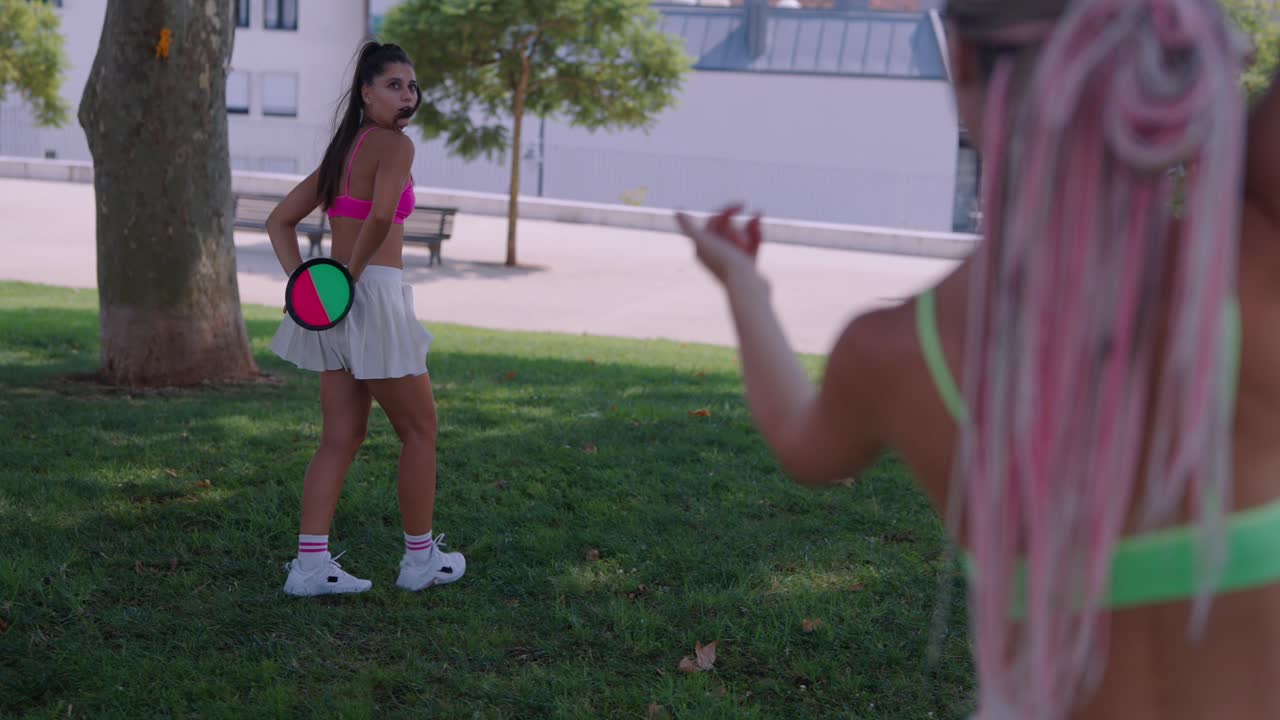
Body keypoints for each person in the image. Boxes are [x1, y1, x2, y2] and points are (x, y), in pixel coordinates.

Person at [676, 0, 1280, 717]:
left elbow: (801, 443)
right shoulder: (1253, 276)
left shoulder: (898, 349)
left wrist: (743, 284)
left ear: (958, 57)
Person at [266, 42, 464, 597]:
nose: (408, 95)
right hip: (368, 293)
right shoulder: (395, 146)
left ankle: (309, 567)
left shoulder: (344, 151)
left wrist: (309, 284)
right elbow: (380, 217)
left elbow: (280, 222)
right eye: (395, 85)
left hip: (335, 298)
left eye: (412, 86)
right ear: (366, 93)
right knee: (420, 429)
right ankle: (420, 558)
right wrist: (349, 277)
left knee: (341, 437)